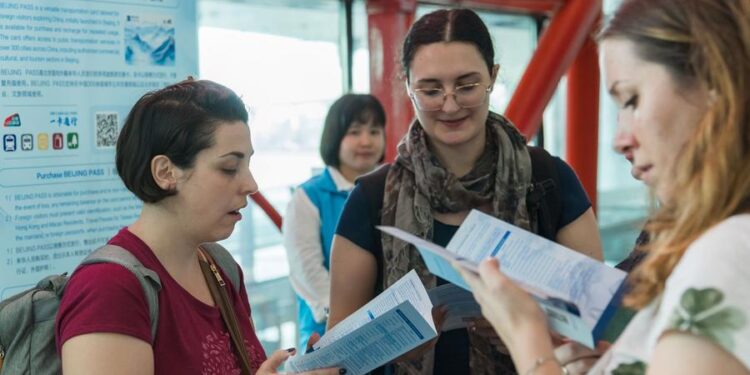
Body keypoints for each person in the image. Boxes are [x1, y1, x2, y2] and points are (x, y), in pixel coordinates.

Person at [457, 0, 750, 374]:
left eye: (632, 99)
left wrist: (527, 340)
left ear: (712, 81)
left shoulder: (727, 250)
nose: (619, 140)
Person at [328, 8, 603, 375]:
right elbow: (337, 354)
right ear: (408, 86)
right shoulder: (372, 199)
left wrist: (532, 328)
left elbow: (597, 322)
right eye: (431, 89)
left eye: (467, 85)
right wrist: (395, 347)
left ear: (493, 77)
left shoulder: (549, 179)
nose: (450, 104)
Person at [55, 79, 341, 375]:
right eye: (229, 168)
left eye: (248, 166)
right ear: (165, 172)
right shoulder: (108, 289)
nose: (251, 184)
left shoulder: (220, 266)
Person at [283, 93, 386, 349]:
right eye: (354, 132)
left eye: (374, 131)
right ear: (334, 136)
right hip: (328, 335)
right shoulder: (308, 197)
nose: (366, 141)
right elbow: (307, 271)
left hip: (386, 332)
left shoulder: (394, 191)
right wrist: (350, 316)